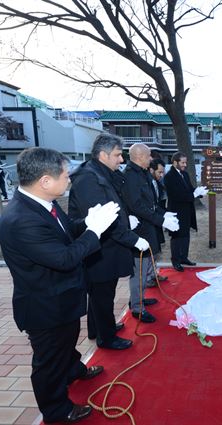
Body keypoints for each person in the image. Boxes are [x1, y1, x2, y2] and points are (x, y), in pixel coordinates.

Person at [0, 147, 120, 424]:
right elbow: (65, 258)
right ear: (45, 180)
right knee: (48, 362)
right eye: (65, 176)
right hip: (44, 304)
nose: (69, 180)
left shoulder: (43, 204)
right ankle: (57, 410)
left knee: (67, 342)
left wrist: (86, 223)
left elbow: (64, 232)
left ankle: (74, 369)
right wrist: (94, 231)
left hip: (61, 297)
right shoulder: (22, 219)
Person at [68, 134, 149, 349]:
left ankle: (99, 328)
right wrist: (134, 240)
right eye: (117, 155)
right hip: (100, 247)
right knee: (102, 294)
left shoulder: (101, 173)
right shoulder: (88, 178)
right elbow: (105, 220)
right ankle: (107, 336)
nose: (121, 160)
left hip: (105, 246)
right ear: (103, 155)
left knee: (101, 292)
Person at [123, 143, 179, 323]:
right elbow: (137, 206)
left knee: (147, 264)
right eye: (148, 156)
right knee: (139, 269)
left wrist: (163, 213)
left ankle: (140, 298)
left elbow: (151, 202)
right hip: (139, 229)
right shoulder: (131, 176)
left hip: (148, 226)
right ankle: (137, 308)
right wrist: (161, 220)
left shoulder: (143, 172)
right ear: (139, 157)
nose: (150, 159)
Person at [164, 152, 207, 272]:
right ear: (175, 162)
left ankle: (184, 257)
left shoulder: (185, 174)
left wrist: (198, 192)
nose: (185, 165)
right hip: (176, 211)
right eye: (182, 162)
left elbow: (189, 188)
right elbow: (177, 195)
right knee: (177, 236)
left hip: (187, 210)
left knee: (186, 235)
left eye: (185, 162)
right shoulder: (169, 177)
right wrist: (193, 194)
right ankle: (176, 260)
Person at [148, 158, 169, 286]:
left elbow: (157, 203)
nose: (161, 175)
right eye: (159, 172)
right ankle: (149, 277)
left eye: (162, 172)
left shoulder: (157, 182)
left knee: (156, 250)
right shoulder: (146, 182)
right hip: (150, 221)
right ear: (151, 170)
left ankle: (153, 274)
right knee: (151, 251)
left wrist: (165, 213)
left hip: (157, 220)